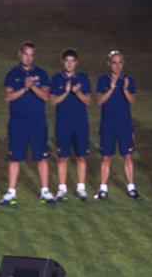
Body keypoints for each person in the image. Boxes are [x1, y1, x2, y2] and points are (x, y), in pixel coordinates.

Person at [2, 43, 55, 204]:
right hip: (18, 123)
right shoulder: (12, 74)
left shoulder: (42, 73)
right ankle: (11, 192)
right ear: (20, 54)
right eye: (26, 54)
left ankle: (44, 191)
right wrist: (25, 89)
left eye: (31, 55)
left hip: (37, 123)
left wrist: (32, 87)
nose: (28, 58)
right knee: (15, 158)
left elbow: (46, 96)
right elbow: (8, 97)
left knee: (42, 157)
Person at [49, 48, 92, 201]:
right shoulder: (56, 79)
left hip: (80, 124)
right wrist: (66, 92)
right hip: (63, 124)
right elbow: (53, 102)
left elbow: (88, 101)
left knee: (81, 157)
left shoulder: (83, 79)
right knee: (62, 157)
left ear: (76, 62)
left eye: (72, 61)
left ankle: (81, 188)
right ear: (62, 62)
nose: (69, 64)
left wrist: (77, 92)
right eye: (67, 61)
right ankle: (62, 189)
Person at [95, 49, 139, 199]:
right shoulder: (102, 80)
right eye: (114, 63)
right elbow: (100, 101)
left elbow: (133, 101)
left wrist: (125, 89)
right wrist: (112, 88)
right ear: (109, 64)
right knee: (106, 157)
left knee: (127, 156)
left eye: (120, 63)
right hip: (108, 125)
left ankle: (131, 186)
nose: (117, 66)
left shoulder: (129, 80)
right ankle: (103, 188)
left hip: (124, 125)